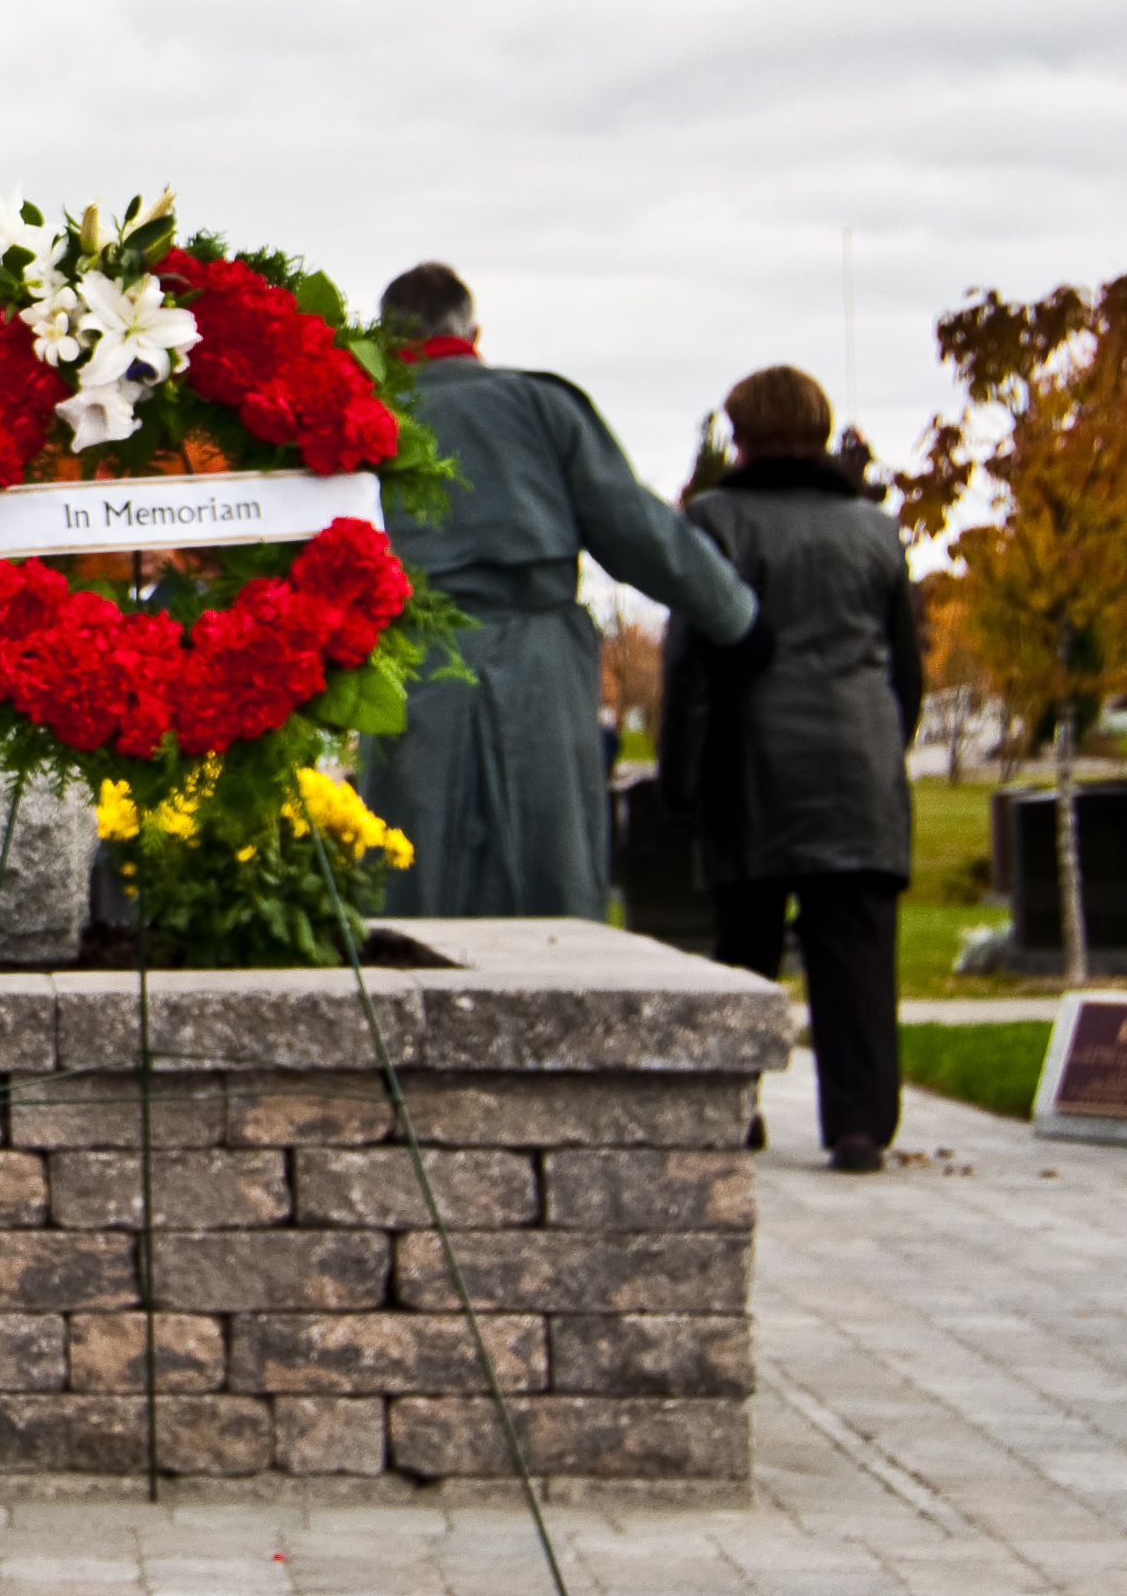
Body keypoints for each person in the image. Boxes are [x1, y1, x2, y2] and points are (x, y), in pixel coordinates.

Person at [358, 261, 758, 917]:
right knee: (547, 852)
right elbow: (636, 527)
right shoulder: (542, 404)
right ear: (473, 331)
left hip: (408, 657)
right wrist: (734, 614)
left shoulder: (362, 420)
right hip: (535, 651)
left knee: (410, 860)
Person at [661, 365, 921, 1172]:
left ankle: (735, 1109)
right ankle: (857, 1124)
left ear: (739, 438)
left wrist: (682, 780)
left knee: (742, 948)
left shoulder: (714, 520)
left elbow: (691, 667)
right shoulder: (874, 528)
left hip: (753, 764)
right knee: (856, 953)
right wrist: (885, 747)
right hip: (858, 762)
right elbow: (905, 669)